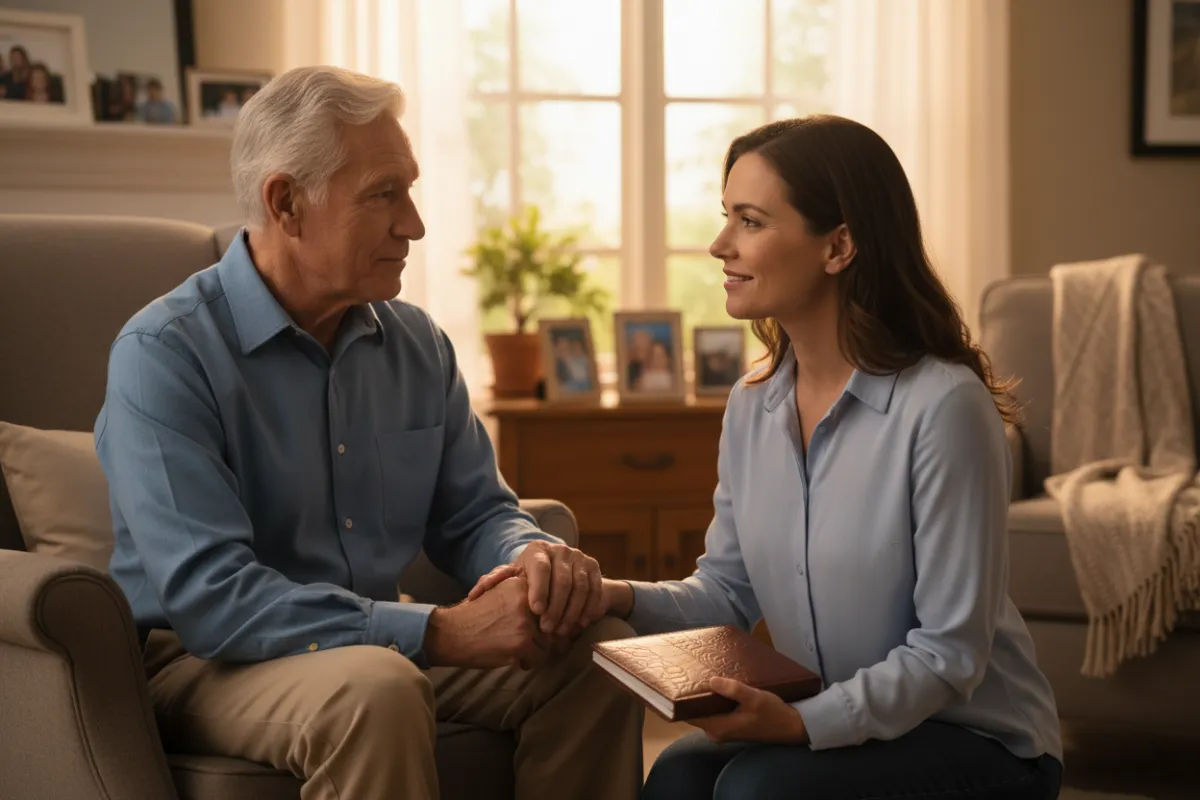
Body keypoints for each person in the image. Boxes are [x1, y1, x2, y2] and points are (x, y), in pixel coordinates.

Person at [95, 65, 642, 800]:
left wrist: (531, 557)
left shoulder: (416, 344)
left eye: (410, 190)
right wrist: (441, 633)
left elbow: (477, 511)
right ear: (286, 203)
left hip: (370, 643)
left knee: (598, 654)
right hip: (202, 660)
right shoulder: (164, 353)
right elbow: (210, 598)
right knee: (378, 687)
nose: (413, 223)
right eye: (384, 193)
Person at [485, 115, 1066, 797]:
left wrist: (802, 724)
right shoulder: (753, 405)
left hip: (977, 737)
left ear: (839, 245)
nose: (719, 244)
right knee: (675, 772)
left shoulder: (942, 407)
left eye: (751, 221)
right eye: (726, 217)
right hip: (839, 723)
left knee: (758, 788)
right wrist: (609, 596)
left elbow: (950, 654)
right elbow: (725, 594)